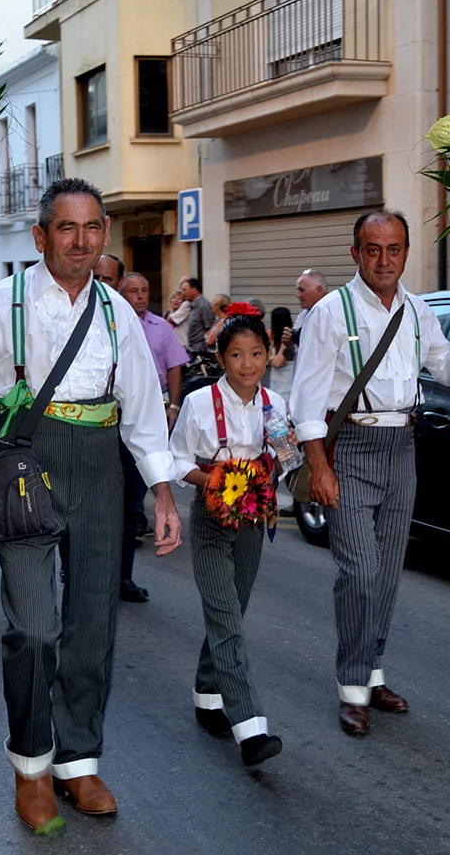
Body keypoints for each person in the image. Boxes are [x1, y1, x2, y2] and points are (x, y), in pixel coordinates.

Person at [0, 177, 181, 832]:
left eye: (93, 228)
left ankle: (79, 762)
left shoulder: (116, 310)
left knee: (93, 620)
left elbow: (141, 402)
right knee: (35, 627)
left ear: (105, 233)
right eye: (67, 229)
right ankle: (31, 768)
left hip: (101, 465)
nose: (81, 241)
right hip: (26, 463)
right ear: (42, 236)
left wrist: (161, 489)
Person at [290, 209, 450, 737]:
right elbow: (306, 404)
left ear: (406, 253)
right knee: (359, 571)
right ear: (355, 253)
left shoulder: (416, 311)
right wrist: (320, 467)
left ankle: (373, 672)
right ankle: (352, 685)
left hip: (403, 445)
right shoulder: (330, 313)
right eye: (372, 249)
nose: (384, 260)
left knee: (386, 574)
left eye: (394, 249)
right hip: (352, 447)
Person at [169, 303, 286, 767]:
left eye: (257, 353)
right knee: (227, 618)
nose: (248, 364)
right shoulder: (199, 404)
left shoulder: (277, 405)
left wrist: (284, 464)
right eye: (237, 355)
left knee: (230, 611)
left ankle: (207, 691)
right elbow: (176, 461)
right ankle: (250, 726)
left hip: (255, 517)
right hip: (212, 519)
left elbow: (285, 457)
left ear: (267, 353)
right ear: (221, 358)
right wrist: (213, 479)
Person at [118, 272, 189, 603]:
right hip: (106, 417)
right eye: (133, 290)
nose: (141, 296)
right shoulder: (110, 321)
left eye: (145, 289)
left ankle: (124, 577)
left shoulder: (161, 327)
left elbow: (175, 367)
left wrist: (173, 406)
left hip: (146, 416)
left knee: (132, 500)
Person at [267, 306, 295, 403]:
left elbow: (277, 363)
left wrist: (269, 360)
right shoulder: (274, 337)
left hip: (285, 384)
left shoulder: (287, 339)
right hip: (276, 382)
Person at [181, 277, 216, 355]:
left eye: (184, 290)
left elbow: (209, 328)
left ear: (194, 290)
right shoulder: (192, 305)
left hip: (201, 352)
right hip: (193, 350)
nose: (182, 293)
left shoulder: (204, 306)